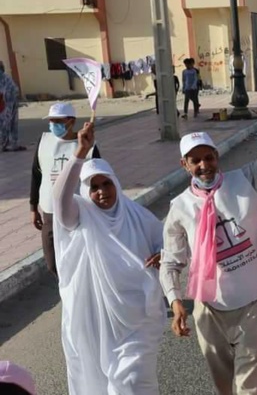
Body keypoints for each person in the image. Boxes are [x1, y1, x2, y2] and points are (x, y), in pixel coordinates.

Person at [53, 123, 165, 394]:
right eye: (94, 187)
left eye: (106, 184)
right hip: (95, 320)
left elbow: (168, 245)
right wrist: (80, 153)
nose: (102, 191)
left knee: (134, 382)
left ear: (115, 183)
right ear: (85, 192)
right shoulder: (80, 217)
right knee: (101, 385)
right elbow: (59, 200)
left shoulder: (137, 216)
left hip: (137, 322)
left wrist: (164, 255)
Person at [160, 132, 257, 395]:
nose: (203, 165)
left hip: (252, 302)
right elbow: (171, 262)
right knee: (223, 384)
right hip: (209, 310)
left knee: (250, 384)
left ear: (216, 157)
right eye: (195, 160)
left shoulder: (245, 179)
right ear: (184, 165)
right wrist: (175, 302)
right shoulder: (180, 207)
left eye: (208, 157)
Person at [30, 103, 101, 276]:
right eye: (51, 121)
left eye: (58, 121)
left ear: (71, 121)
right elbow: (36, 175)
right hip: (49, 212)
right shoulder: (44, 142)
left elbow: (99, 178)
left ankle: (79, 296)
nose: (53, 124)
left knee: (80, 260)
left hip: (77, 214)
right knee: (53, 263)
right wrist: (33, 207)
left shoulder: (88, 146)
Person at [0, 61, 25, 152]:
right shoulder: (5, 78)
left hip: (9, 103)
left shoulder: (5, 78)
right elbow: (12, 90)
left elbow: (13, 89)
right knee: (6, 124)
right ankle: (5, 144)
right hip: (5, 104)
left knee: (9, 124)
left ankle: (10, 144)